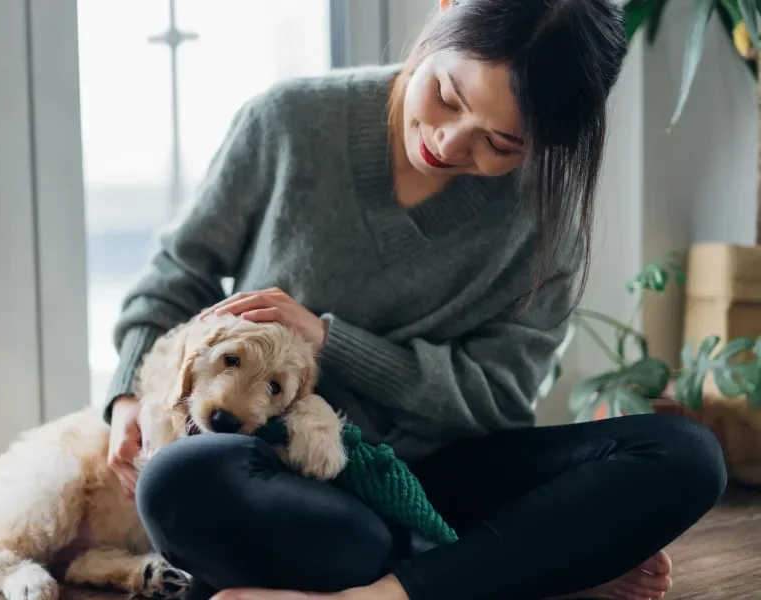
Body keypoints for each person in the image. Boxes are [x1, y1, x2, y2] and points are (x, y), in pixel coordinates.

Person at [104, 0, 728, 598]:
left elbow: (496, 398)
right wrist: (130, 395)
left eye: (501, 144)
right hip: (293, 471)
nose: (450, 143)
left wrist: (331, 342)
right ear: (445, 9)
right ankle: (495, 564)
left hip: (442, 474)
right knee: (179, 482)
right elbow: (177, 275)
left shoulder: (549, 221)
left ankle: (385, 589)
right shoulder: (289, 122)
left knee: (687, 456)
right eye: (447, 97)